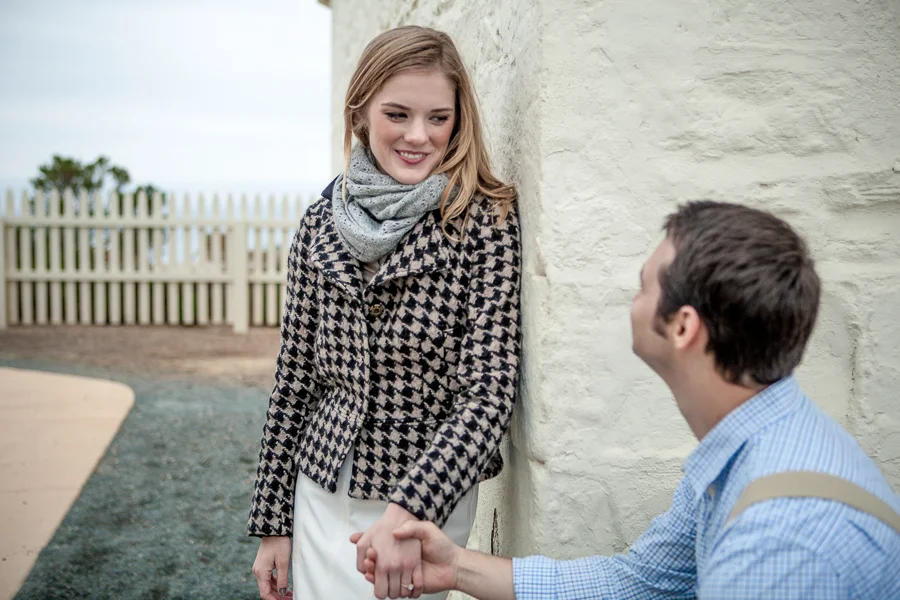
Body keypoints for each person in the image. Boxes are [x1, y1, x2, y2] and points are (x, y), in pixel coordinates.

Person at [355, 201, 900, 599]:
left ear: (683, 326)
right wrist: (457, 568)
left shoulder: (776, 548)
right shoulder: (751, 442)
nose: (633, 303)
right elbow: (643, 581)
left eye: (644, 287)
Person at [247, 25, 522, 600]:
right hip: (321, 490)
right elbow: (295, 380)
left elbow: (489, 394)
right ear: (361, 113)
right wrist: (273, 523)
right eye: (397, 114)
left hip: (425, 499)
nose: (419, 136)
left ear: (459, 119)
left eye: (438, 118)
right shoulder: (320, 222)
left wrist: (406, 511)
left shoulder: (485, 223)